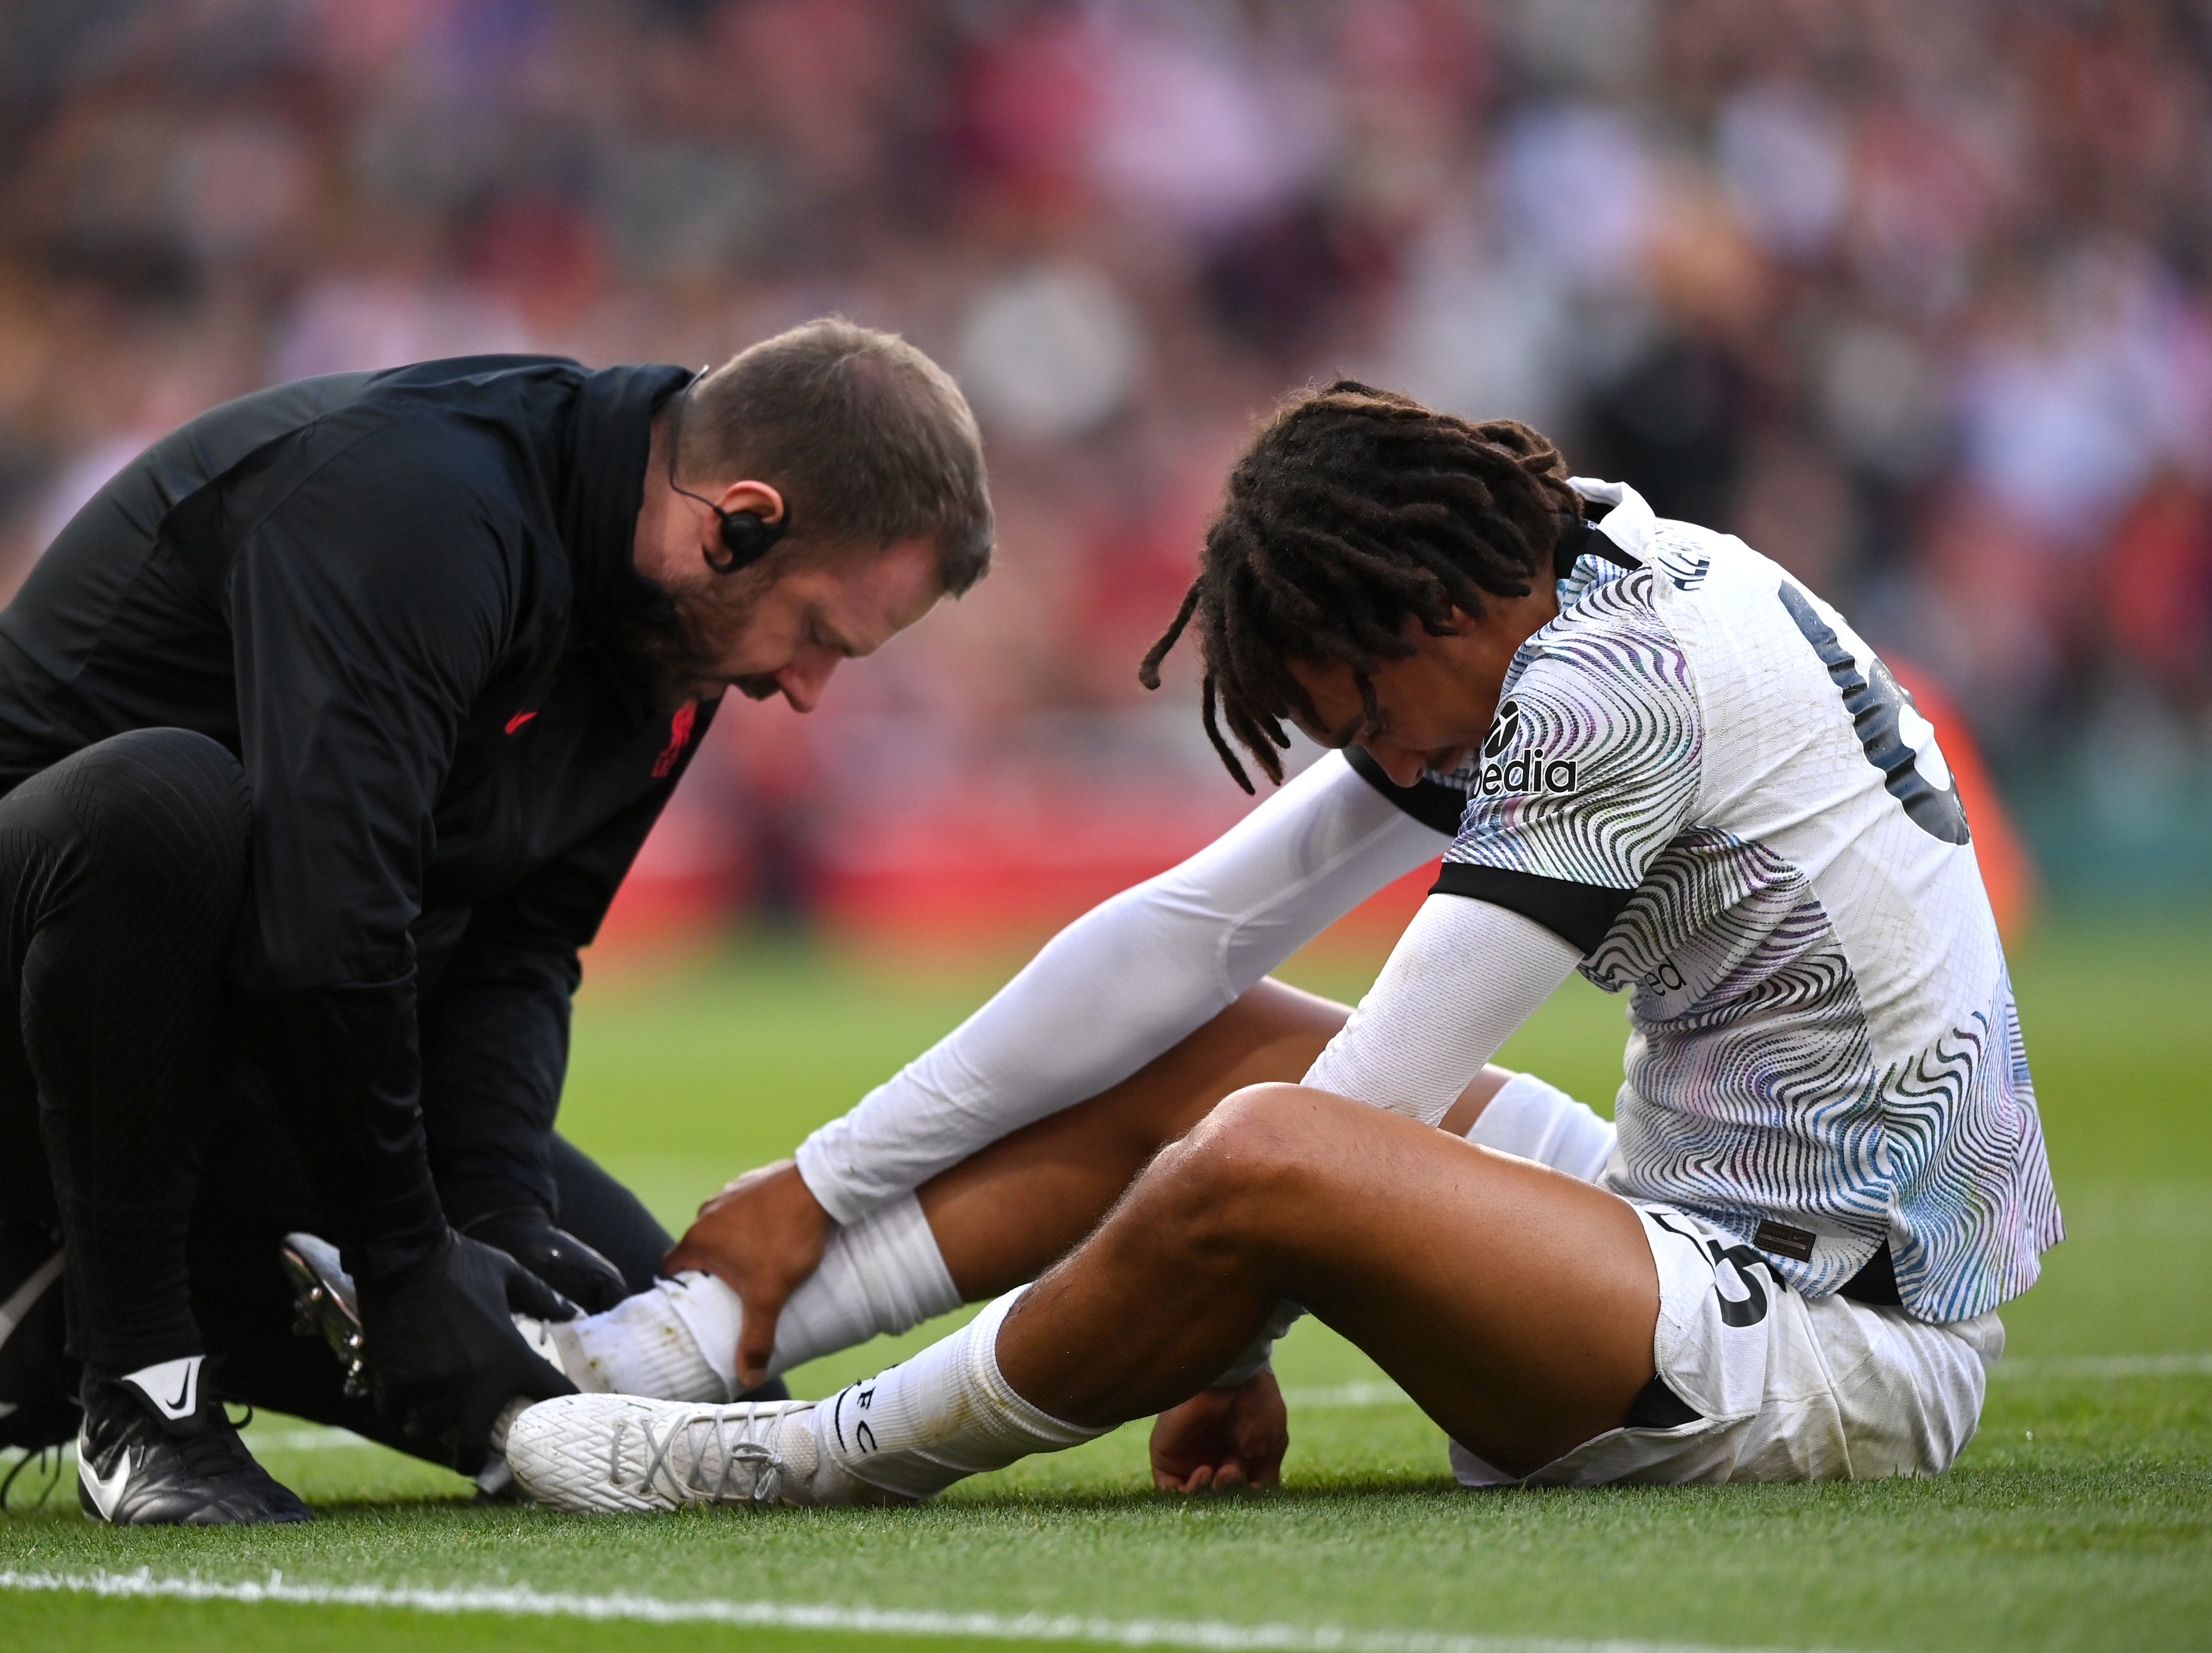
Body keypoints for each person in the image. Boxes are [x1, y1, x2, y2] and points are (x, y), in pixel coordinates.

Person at [493, 381, 2059, 1511]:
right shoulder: (1572, 581)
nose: (1374, 754)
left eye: (1363, 714)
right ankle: (670, 1343)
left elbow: (1359, 1109)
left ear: (1425, 612)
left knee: (1267, 1141)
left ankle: (807, 1450)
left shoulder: (1607, 700)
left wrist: (1224, 1309)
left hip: (1830, 1352)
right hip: (1687, 1230)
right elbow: (1184, 936)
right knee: (1221, 1051)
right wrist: (821, 1178)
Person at [0, 319, 993, 1524]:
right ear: (736, 520)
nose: (803, 690)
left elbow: (521, 951)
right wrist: (406, 1261)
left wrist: (493, 1222)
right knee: (169, 804)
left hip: (249, 1046)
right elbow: (327, 925)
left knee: (703, 1415)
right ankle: (139, 1386)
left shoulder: (670, 632)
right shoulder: (419, 508)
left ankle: (36, 1323)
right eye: (819, 636)